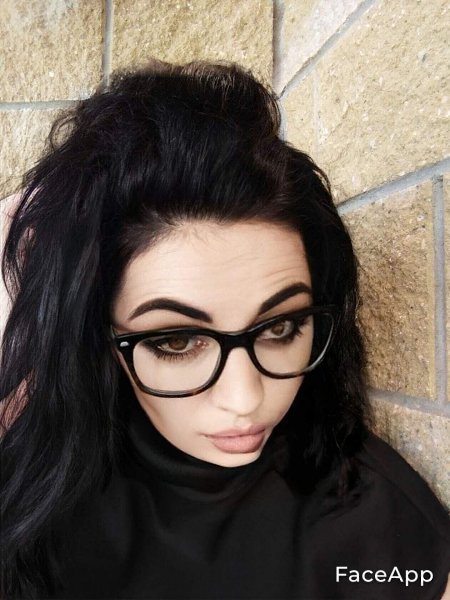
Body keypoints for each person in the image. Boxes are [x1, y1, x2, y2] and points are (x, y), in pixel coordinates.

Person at [0, 59, 449, 600]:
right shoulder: (32, 492)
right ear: (100, 333)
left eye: (281, 327)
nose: (245, 399)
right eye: (175, 341)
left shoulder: (373, 518)